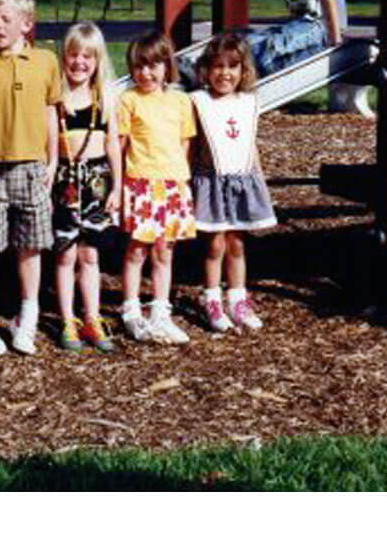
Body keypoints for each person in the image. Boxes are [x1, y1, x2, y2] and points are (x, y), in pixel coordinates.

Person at [0, 0, 60, 356]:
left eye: (6, 19)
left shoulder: (45, 62)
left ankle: (27, 313)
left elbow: (52, 113)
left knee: (30, 246)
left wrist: (52, 162)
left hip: (33, 169)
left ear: (27, 24)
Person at [189, 33, 277, 332]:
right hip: (211, 184)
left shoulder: (247, 103)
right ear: (206, 69)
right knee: (215, 245)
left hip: (240, 182)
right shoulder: (200, 102)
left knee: (237, 244)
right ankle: (211, 298)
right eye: (217, 66)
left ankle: (237, 298)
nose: (224, 73)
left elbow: (249, 145)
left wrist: (260, 180)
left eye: (232, 66)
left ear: (243, 71)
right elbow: (192, 145)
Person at [116, 31, 196, 344]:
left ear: (167, 66)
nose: (145, 73)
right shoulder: (129, 100)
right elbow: (120, 147)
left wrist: (180, 182)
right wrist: (121, 188)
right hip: (140, 185)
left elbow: (184, 143)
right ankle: (131, 310)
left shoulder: (180, 101)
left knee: (164, 252)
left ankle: (160, 313)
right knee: (137, 250)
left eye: (153, 65)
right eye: (139, 66)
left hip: (173, 186)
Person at [51, 22, 121, 352]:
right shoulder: (56, 99)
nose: (80, 62)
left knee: (90, 254)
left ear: (98, 60)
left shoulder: (104, 98)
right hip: (65, 181)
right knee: (64, 254)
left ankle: (92, 316)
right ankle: (67, 318)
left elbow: (113, 147)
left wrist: (118, 188)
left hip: (97, 182)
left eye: (88, 57)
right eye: (73, 55)